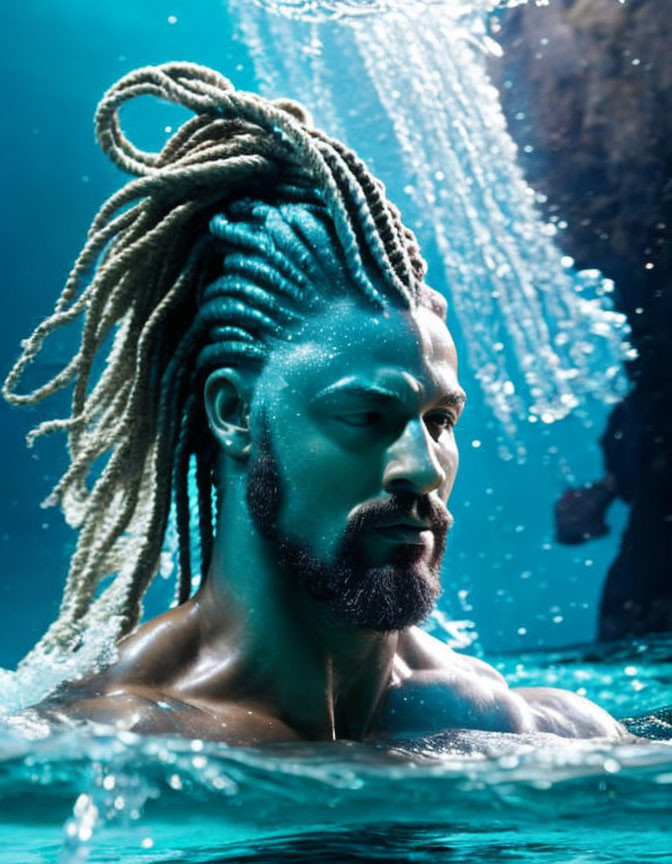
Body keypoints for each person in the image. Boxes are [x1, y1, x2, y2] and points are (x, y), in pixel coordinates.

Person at [4, 63, 625, 744]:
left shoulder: (525, 726)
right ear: (234, 413)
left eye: (440, 421)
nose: (420, 469)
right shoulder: (108, 746)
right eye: (366, 418)